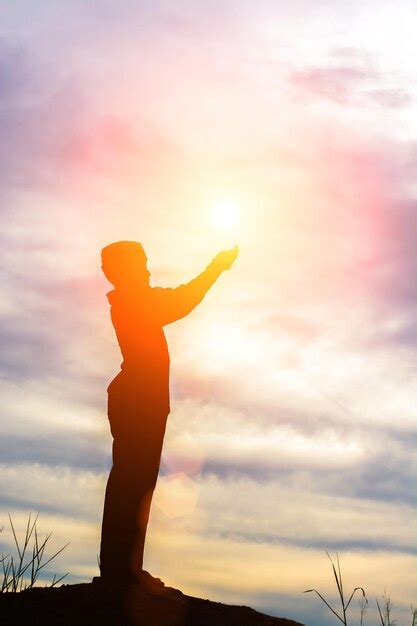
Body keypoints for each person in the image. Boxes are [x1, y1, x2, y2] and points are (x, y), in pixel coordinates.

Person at [98, 241, 238, 588]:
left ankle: (125, 569)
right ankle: (121, 572)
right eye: (141, 264)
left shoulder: (134, 300)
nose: (147, 270)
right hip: (138, 401)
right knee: (133, 483)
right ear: (124, 270)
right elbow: (181, 300)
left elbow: (176, 299)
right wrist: (214, 269)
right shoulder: (134, 301)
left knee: (137, 483)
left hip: (142, 400)